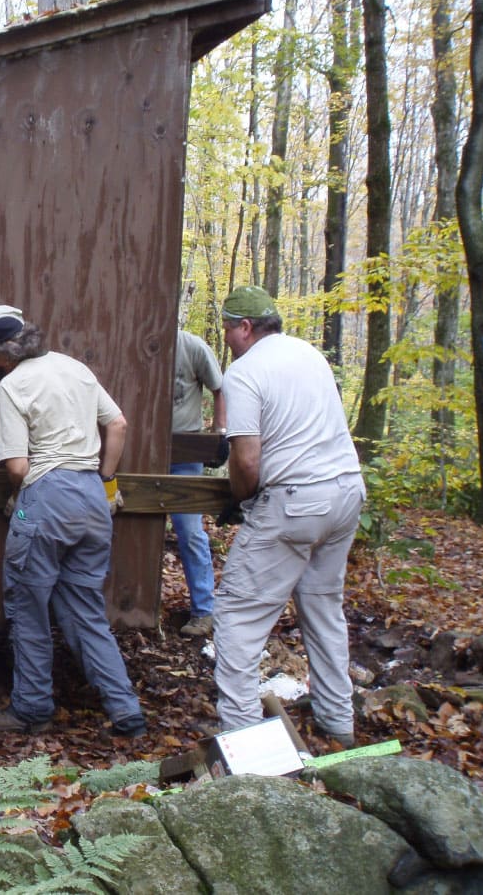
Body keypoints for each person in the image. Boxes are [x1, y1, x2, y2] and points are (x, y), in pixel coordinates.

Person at [0, 305, 146, 737]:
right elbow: (118, 423)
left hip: (46, 500)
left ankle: (32, 708)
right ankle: (127, 712)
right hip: (91, 498)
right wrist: (105, 479)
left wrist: (22, 500)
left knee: (28, 609)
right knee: (86, 611)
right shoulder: (75, 368)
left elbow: (16, 467)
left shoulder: (11, 387)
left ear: (3, 354)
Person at [215, 285, 365, 746]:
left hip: (297, 500)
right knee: (322, 607)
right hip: (346, 492)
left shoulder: (244, 373)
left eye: (227, 330)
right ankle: (338, 723)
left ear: (244, 327)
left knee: (238, 615)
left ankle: (242, 739)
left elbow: (246, 461)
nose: (225, 340)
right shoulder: (309, 355)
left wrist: (240, 500)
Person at [171, 328, 227, 637]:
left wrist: (220, 432)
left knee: (189, 530)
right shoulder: (134, 340)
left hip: (185, 452)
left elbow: (220, 388)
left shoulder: (191, 346)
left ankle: (204, 611)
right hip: (140, 451)